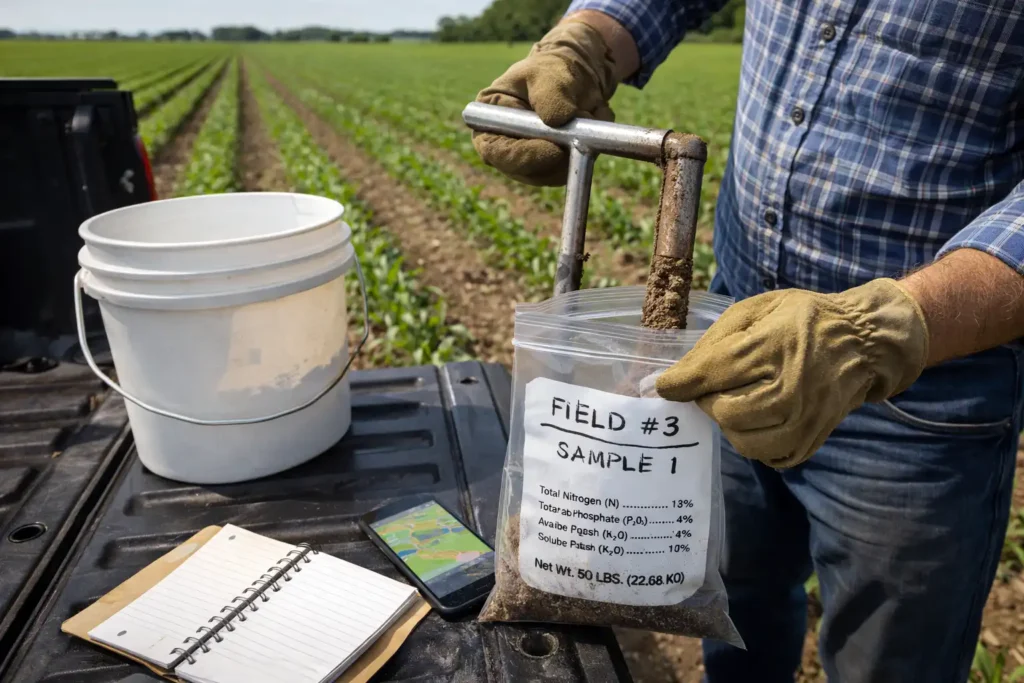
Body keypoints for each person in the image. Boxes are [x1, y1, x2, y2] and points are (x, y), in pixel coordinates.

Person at [471, 2, 1024, 682]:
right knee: (739, 595)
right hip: (730, 339)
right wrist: (589, 39)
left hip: (921, 382)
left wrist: (877, 329)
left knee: (890, 660)